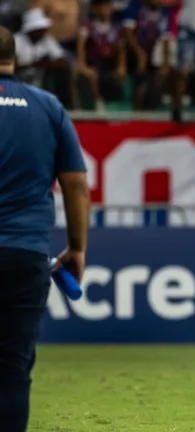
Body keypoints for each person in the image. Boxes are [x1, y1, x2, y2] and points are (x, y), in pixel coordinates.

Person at [0, 25, 89, 432]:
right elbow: (74, 183)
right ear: (13, 57)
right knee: (13, 369)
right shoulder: (48, 106)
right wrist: (77, 247)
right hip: (26, 254)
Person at [76, 0, 127, 112]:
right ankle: (98, 103)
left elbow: (121, 50)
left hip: (108, 66)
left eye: (108, 6)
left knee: (120, 75)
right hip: (91, 65)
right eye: (103, 6)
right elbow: (81, 48)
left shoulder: (116, 28)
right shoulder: (88, 26)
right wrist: (83, 66)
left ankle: (118, 108)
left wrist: (121, 66)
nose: (106, 9)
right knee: (91, 75)